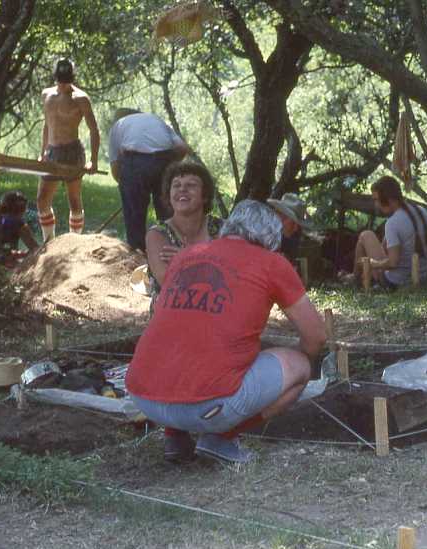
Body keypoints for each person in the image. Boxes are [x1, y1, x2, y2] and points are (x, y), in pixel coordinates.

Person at [126, 200, 327, 464]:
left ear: (229, 227)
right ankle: (220, 439)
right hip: (208, 407)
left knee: (189, 341)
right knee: (299, 366)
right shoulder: (272, 263)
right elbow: (317, 337)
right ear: (272, 237)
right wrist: (307, 358)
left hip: (144, 398)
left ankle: (174, 436)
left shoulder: (187, 255)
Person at [144, 162, 222, 313]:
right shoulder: (158, 234)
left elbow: (235, 275)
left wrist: (185, 257)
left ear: (205, 196)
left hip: (216, 315)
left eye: (191, 185)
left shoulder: (222, 228)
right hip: (171, 317)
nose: (182, 190)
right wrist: (211, 263)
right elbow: (169, 281)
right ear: (169, 194)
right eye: (176, 185)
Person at [108, 108, 190, 251]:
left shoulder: (118, 125)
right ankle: (172, 252)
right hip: (165, 160)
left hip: (135, 163)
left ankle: (138, 254)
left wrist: (127, 189)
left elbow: (115, 168)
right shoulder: (155, 119)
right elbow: (182, 148)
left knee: (135, 218)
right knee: (167, 213)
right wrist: (168, 166)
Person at [36, 58, 99, 241]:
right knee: (42, 200)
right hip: (52, 152)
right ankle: (48, 241)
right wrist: (43, 152)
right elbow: (46, 125)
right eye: (60, 80)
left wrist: (93, 161)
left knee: (74, 199)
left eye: (67, 80)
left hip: (72, 152)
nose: (63, 84)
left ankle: (74, 243)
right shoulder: (46, 94)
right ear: (55, 78)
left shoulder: (81, 98)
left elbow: (94, 130)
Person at [350, 176, 427, 288]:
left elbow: (393, 263)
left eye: (376, 200)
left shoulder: (393, 223)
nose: (376, 205)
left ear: (389, 200)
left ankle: (354, 279)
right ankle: (354, 277)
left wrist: (374, 264)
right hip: (423, 276)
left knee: (366, 235)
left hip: (398, 281)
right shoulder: (422, 211)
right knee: (382, 241)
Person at [0, 191, 40, 268]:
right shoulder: (18, 223)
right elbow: (35, 248)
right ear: (22, 209)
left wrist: (22, 254)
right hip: (0, 265)